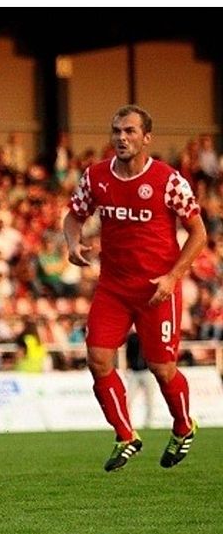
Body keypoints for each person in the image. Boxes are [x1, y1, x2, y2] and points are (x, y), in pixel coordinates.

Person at [63, 104, 206, 472]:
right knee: (97, 358)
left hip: (157, 289)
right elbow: (73, 216)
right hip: (113, 287)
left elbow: (198, 233)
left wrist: (173, 277)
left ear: (146, 138)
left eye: (129, 131)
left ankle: (183, 425)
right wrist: (73, 242)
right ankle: (126, 435)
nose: (121, 138)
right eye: (116, 131)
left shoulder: (168, 180)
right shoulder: (96, 177)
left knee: (162, 369)